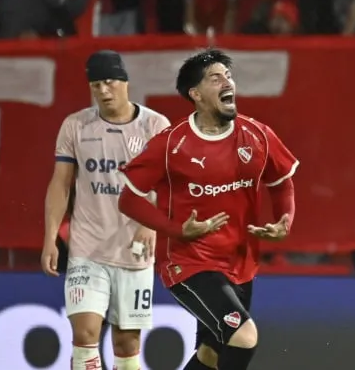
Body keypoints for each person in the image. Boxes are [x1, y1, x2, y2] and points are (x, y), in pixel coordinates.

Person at [116, 48, 300, 370]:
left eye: (228, 76)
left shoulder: (257, 135)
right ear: (196, 94)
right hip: (189, 263)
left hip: (240, 263)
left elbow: (281, 182)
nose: (227, 82)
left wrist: (284, 221)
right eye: (216, 78)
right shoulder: (170, 144)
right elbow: (129, 199)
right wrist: (177, 230)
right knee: (244, 337)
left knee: (211, 355)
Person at [41, 50, 171, 370]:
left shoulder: (155, 126)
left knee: (127, 344)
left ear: (125, 82)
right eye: (96, 85)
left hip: (134, 249)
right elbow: (60, 184)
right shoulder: (76, 126)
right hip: (87, 248)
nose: (103, 90)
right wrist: (49, 238)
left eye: (109, 82)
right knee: (85, 334)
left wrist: (149, 223)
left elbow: (169, 185)